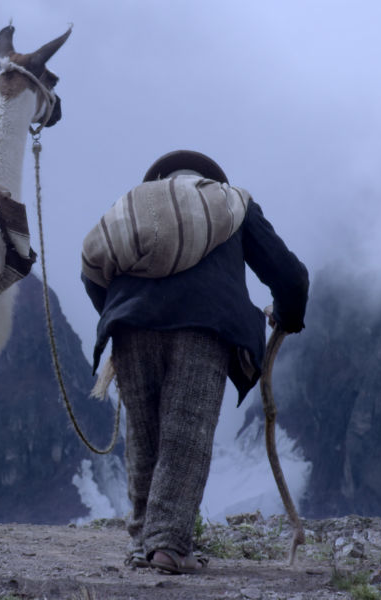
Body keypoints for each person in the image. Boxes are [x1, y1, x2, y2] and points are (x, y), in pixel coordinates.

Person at [80, 150, 308, 574]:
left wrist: (120, 317)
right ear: (208, 181)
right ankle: (167, 546)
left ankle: (142, 543)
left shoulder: (132, 209)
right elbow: (290, 275)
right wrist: (288, 315)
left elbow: (93, 271)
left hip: (130, 327)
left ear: (161, 180)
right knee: (186, 435)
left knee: (145, 438)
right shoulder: (232, 204)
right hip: (202, 328)